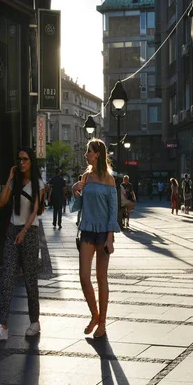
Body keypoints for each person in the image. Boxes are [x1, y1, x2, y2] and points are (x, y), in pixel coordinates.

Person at [0, 147, 45, 340]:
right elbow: (1, 203)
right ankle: (3, 326)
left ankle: (34, 321)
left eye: (25, 159)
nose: (21, 163)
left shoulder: (38, 183)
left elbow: (36, 210)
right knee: (8, 279)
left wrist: (24, 231)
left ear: (31, 161)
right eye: (19, 159)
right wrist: (10, 179)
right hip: (13, 230)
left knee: (30, 280)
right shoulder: (16, 182)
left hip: (29, 232)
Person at [72, 138, 121, 339]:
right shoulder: (86, 176)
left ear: (98, 154)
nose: (86, 154)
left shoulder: (109, 179)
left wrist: (110, 237)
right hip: (87, 230)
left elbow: (113, 211)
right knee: (84, 277)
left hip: (103, 233)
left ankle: (102, 323)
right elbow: (79, 205)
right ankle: (94, 315)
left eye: (89, 151)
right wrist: (76, 190)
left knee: (101, 278)